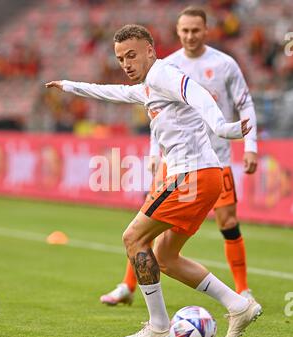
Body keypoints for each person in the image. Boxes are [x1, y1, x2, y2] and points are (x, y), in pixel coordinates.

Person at [46, 24, 262, 337]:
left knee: (133, 238)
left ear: (150, 50)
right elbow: (111, 92)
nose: (126, 64)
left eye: (132, 55)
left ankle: (159, 325)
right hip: (203, 176)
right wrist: (69, 85)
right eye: (121, 58)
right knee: (164, 256)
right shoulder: (149, 87)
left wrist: (222, 127)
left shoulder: (164, 74)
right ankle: (238, 305)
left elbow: (196, 91)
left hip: (191, 175)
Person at [101, 7, 258, 307]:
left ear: (206, 30)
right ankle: (127, 285)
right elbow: (155, 115)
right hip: (174, 161)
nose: (189, 35)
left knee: (227, 220)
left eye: (195, 30)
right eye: (184, 31)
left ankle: (242, 289)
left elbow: (244, 103)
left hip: (215, 157)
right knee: (146, 225)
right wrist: (152, 154)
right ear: (177, 31)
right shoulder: (165, 65)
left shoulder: (224, 64)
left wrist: (250, 145)